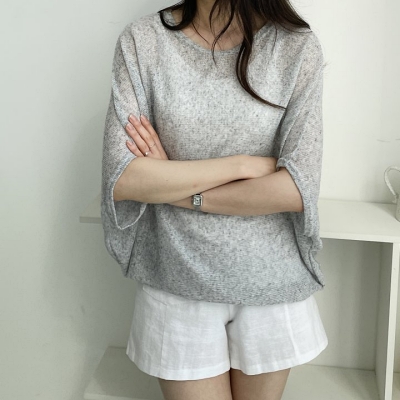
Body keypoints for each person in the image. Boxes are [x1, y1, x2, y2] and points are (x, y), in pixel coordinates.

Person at [101, 0, 329, 399]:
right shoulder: (143, 41)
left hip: (270, 284)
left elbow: (295, 189)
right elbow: (125, 179)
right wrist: (242, 165)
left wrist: (174, 186)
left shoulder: (295, 46)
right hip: (176, 278)